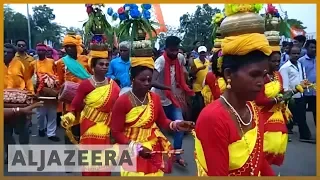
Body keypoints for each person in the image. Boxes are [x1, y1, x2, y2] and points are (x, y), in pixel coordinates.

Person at [194, 7, 275, 175]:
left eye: (264, 75)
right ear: (229, 74)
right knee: (129, 166)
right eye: (254, 75)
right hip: (136, 152)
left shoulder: (253, 110)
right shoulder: (213, 118)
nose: (262, 82)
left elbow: (260, 163)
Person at [110, 57, 194, 176]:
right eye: (142, 80)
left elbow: (163, 121)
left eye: (149, 80)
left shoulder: (154, 98)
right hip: (130, 148)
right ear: (132, 79)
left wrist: (176, 124)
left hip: (152, 146)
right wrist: (137, 147)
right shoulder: (122, 101)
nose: (147, 83)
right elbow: (116, 132)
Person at [61, 48, 120, 176]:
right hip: (88, 125)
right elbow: (75, 103)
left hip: (106, 125)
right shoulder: (86, 85)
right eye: (101, 64)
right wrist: (70, 114)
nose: (104, 67)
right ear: (93, 66)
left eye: (106, 64)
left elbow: (117, 107)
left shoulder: (113, 85)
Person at [152, 36, 195, 167]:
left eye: (176, 50)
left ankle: (177, 155)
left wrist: (184, 89)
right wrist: (168, 87)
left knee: (180, 126)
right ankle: (154, 156)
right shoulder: (160, 61)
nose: (175, 53)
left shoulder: (180, 58)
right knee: (153, 131)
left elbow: (181, 75)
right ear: (166, 49)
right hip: (158, 100)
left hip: (172, 100)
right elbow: (152, 81)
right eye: (172, 50)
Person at [255, 45, 292, 166]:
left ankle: (265, 168)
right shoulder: (260, 76)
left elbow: (281, 92)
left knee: (278, 143)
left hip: (276, 113)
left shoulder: (277, 75)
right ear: (266, 61)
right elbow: (259, 100)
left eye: (278, 61)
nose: (276, 63)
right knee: (266, 145)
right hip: (262, 113)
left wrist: (291, 93)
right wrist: (277, 99)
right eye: (273, 61)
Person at [56, 33, 91, 147]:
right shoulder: (61, 62)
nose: (69, 49)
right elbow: (60, 82)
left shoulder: (86, 59)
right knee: (70, 128)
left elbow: (92, 76)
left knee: (85, 126)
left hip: (86, 99)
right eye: (66, 47)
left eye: (71, 46)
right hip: (69, 100)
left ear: (77, 47)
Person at [279, 45, 315, 143]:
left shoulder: (299, 64)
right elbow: (285, 86)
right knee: (299, 117)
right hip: (292, 96)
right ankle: (305, 135)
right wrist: (289, 97)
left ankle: (287, 133)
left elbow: (301, 78)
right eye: (293, 53)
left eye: (298, 53)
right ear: (289, 54)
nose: (296, 55)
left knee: (297, 117)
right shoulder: (285, 68)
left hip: (301, 94)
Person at [30, 43, 60, 142]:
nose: (41, 52)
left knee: (52, 113)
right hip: (40, 92)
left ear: (46, 51)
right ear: (36, 51)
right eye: (39, 50)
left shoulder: (52, 62)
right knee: (40, 114)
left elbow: (56, 74)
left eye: (43, 50)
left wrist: (52, 81)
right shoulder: (33, 63)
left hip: (51, 90)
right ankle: (41, 128)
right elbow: (30, 78)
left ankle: (51, 133)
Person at [299, 39, 316, 126]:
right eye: (311, 47)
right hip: (304, 91)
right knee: (301, 113)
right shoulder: (301, 61)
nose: (314, 49)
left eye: (315, 47)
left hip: (315, 92)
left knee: (316, 113)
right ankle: (304, 133)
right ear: (306, 48)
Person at [190, 46, 210, 121]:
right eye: (201, 53)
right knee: (199, 105)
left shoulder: (208, 61)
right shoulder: (194, 61)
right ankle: (197, 120)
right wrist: (199, 69)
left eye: (203, 53)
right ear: (198, 53)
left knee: (205, 104)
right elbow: (191, 73)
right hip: (197, 87)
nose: (202, 54)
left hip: (206, 87)